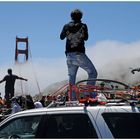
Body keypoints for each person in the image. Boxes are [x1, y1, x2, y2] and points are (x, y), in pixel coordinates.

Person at [60, 9, 98, 100]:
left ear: (71, 16)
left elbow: (61, 37)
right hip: (79, 54)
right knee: (93, 73)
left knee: (72, 78)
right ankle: (86, 94)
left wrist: (68, 31)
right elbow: (86, 38)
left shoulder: (66, 26)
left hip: (69, 55)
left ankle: (72, 99)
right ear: (81, 17)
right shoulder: (83, 26)